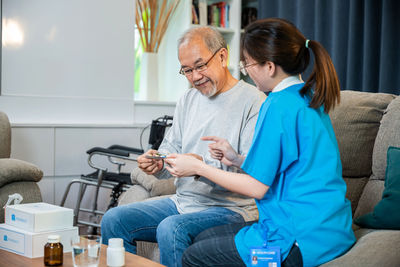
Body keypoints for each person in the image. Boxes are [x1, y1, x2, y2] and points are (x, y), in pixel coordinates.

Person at [165, 18, 356, 267]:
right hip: (333, 230)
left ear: (269, 66)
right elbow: (289, 163)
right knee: (201, 237)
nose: (246, 72)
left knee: (193, 256)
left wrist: (199, 167)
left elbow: (257, 188)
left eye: (248, 64)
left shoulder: (276, 105)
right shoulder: (307, 97)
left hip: (298, 240)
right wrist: (237, 160)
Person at [100, 26, 266, 267]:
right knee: (114, 220)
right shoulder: (188, 100)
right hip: (183, 202)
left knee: (172, 229)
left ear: (222, 56)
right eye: (187, 70)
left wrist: (198, 166)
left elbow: (254, 173)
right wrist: (157, 163)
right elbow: (170, 153)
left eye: (200, 66)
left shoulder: (254, 102)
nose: (195, 77)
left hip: (232, 208)